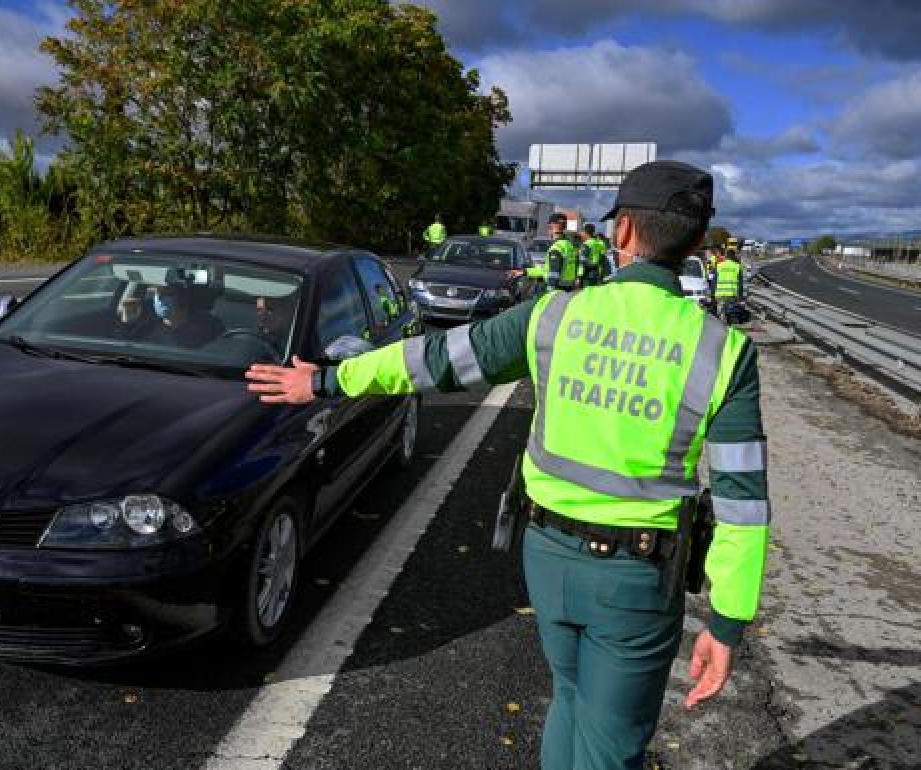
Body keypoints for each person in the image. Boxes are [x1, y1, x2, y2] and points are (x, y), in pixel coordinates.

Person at [245, 160, 770, 770]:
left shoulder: (553, 316)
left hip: (546, 555)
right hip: (638, 581)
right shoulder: (724, 352)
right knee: (611, 745)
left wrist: (331, 379)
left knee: (569, 701)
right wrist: (727, 622)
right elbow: (742, 506)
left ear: (622, 231)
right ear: (698, 242)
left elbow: (436, 361)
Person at [142, 284, 223, 348]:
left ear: (182, 299)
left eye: (167, 294)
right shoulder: (146, 327)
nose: (159, 299)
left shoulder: (208, 328)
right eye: (157, 294)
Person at [544, 212, 580, 291]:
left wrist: (550, 290)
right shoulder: (570, 246)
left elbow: (554, 272)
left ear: (552, 226)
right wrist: (526, 271)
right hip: (569, 288)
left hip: (557, 289)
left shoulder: (557, 247)